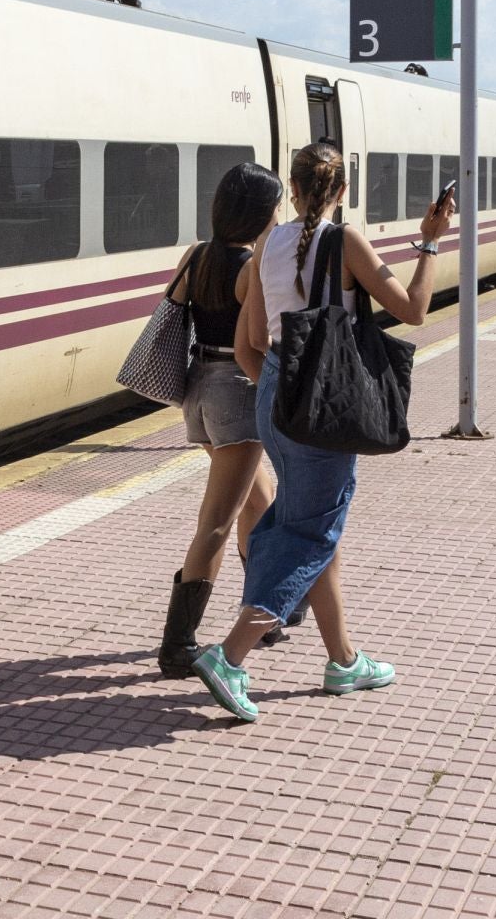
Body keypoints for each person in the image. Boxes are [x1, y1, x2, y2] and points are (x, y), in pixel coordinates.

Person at [190, 142, 455, 723]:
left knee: (311, 524)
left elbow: (253, 341)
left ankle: (344, 660)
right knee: (308, 533)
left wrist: (281, 394)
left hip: (276, 400)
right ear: (340, 190)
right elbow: (413, 309)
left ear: (292, 189)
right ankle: (230, 657)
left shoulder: (267, 244)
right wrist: (431, 241)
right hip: (323, 408)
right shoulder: (346, 240)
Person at [155, 163, 284, 677]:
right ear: (259, 214)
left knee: (260, 500)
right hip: (237, 393)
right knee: (216, 523)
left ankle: (265, 614)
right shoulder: (251, 268)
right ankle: (177, 645)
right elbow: (257, 341)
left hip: (198, 389)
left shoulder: (196, 256)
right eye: (276, 208)